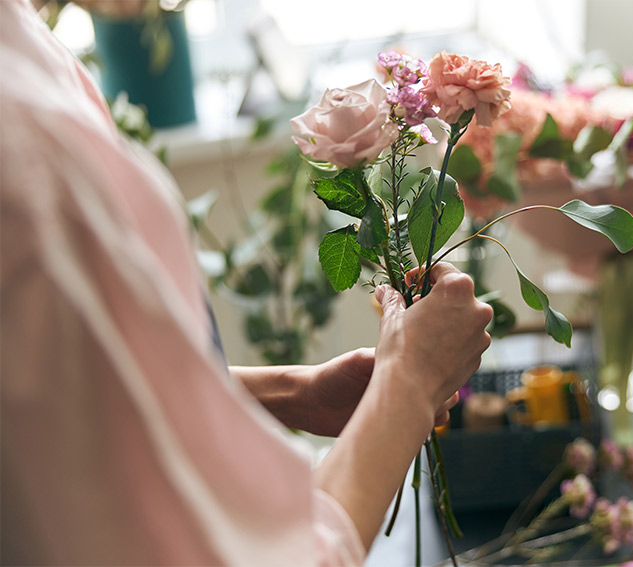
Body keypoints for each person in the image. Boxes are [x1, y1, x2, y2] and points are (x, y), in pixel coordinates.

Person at [0, 1, 493, 565]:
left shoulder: (25, 50)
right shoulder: (27, 160)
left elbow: (59, 400)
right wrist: (409, 383)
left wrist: (288, 393)